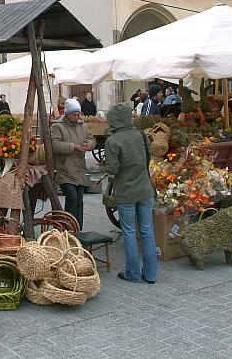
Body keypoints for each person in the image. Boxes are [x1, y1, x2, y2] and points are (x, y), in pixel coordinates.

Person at [104, 103, 157, 285]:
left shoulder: (113, 141)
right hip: (145, 189)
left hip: (126, 191)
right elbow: (148, 158)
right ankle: (151, 274)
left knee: (129, 232)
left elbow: (112, 169)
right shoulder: (141, 135)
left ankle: (132, 274)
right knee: (147, 231)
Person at [50, 98, 93, 230]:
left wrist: (88, 145)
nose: (77, 117)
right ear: (67, 114)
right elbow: (54, 145)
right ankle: (68, 227)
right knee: (72, 198)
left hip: (79, 168)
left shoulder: (82, 126)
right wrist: (73, 147)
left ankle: (78, 229)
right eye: (74, 114)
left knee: (79, 201)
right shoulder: (57, 126)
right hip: (64, 169)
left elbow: (91, 139)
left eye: (78, 114)